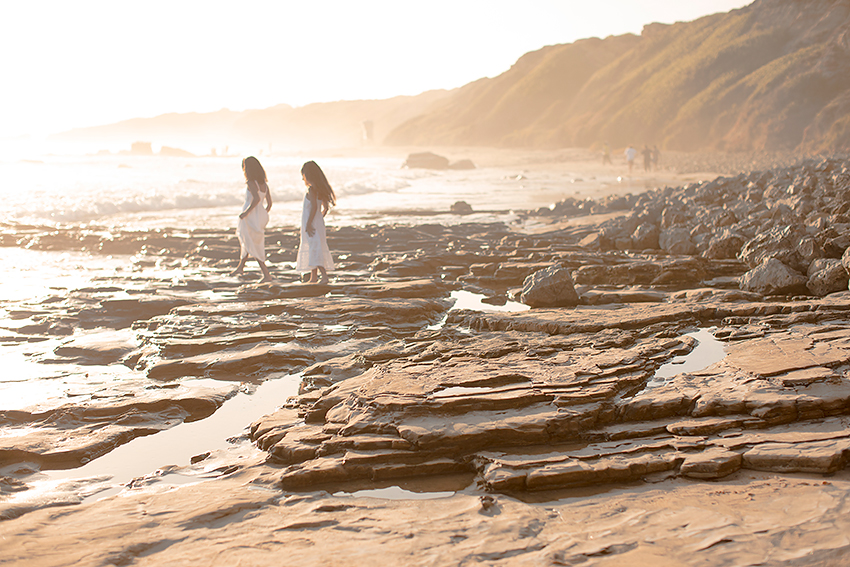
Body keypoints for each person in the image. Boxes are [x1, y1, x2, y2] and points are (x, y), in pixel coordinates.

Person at [230, 156, 273, 282]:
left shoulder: (250, 183)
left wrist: (246, 213)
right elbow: (269, 203)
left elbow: (256, 199)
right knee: (248, 240)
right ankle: (240, 267)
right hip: (259, 217)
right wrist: (262, 214)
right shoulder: (264, 184)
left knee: (251, 243)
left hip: (250, 217)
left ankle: (266, 274)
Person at [296, 160, 336, 284]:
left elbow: (313, 207)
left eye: (303, 176)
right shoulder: (318, 189)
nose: (303, 179)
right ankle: (313, 277)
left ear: (308, 175)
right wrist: (319, 219)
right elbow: (325, 208)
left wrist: (309, 223)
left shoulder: (312, 190)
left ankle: (324, 276)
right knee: (314, 247)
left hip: (312, 223)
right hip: (317, 222)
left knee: (314, 248)